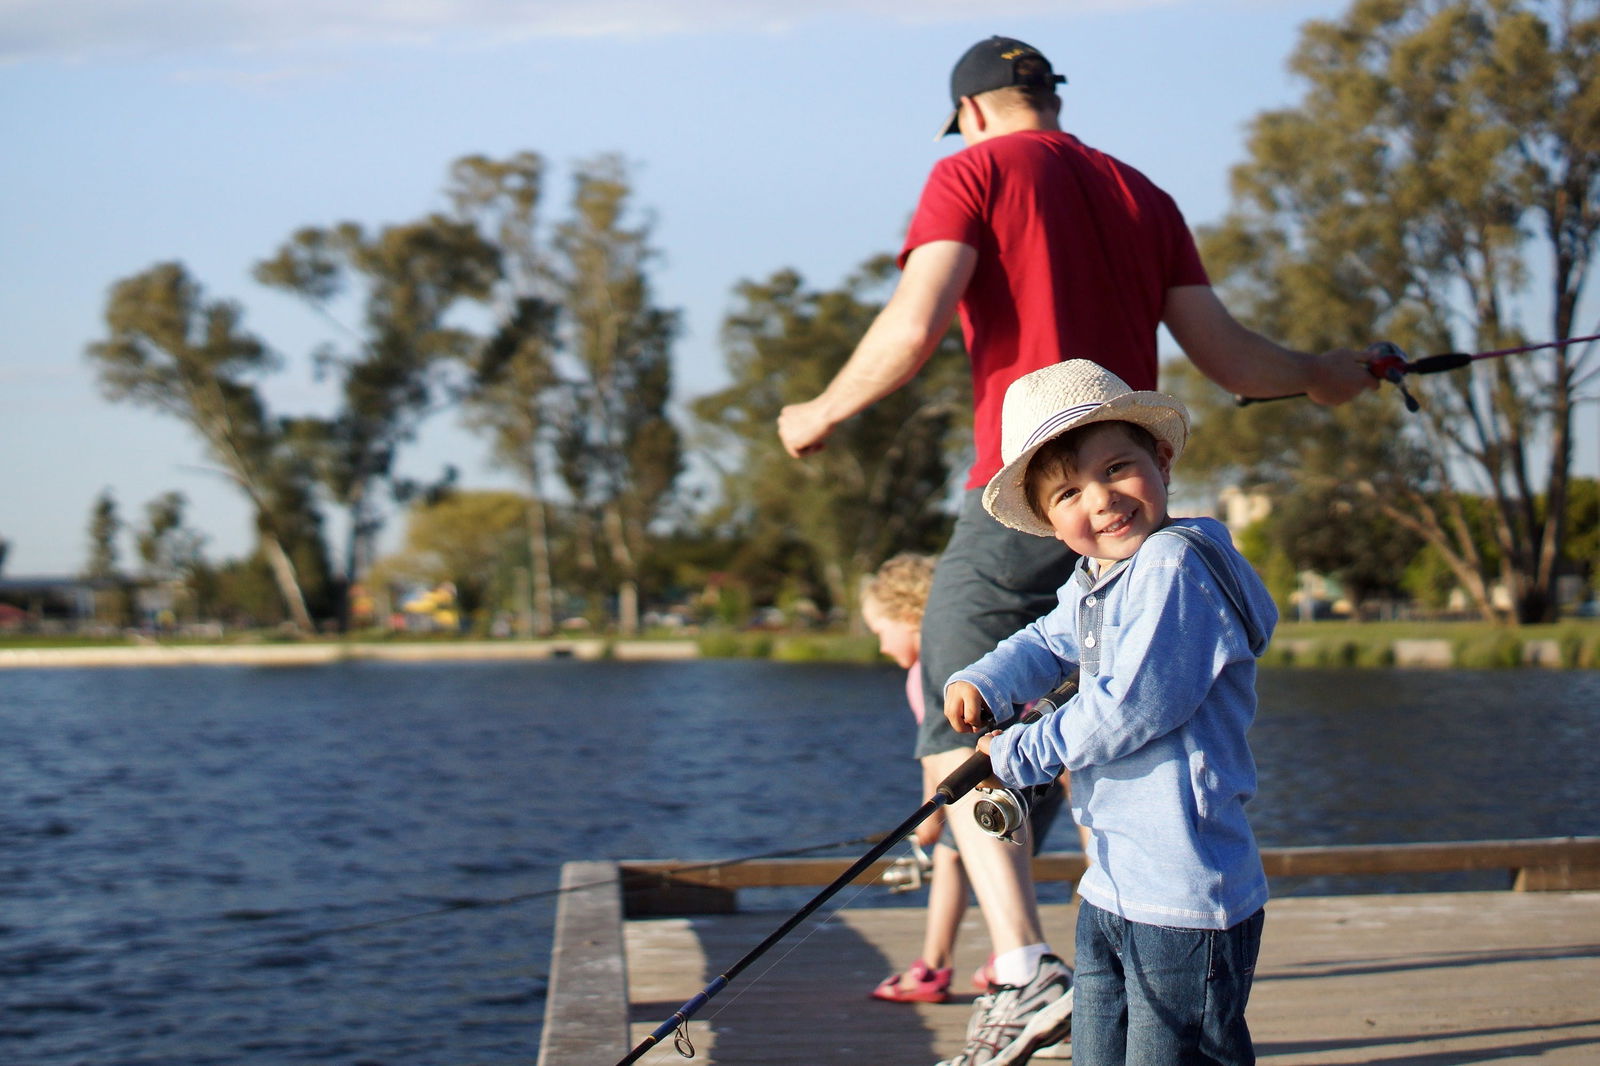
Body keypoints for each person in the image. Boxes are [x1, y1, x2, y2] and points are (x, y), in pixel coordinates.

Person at [777, 33, 1373, 1066]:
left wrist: (817, 410)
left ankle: (1019, 966)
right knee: (1103, 702)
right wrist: (1323, 371)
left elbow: (915, 323)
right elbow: (1228, 357)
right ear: (1048, 98)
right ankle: (1123, 927)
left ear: (968, 112)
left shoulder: (968, 170)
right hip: (1123, 516)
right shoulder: (1139, 192)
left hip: (1028, 496)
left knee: (946, 722)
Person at [945, 359, 1276, 1066]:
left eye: (1117, 468)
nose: (1101, 501)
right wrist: (986, 678)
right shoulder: (1100, 575)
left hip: (1188, 896)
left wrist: (1020, 752)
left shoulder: (1172, 568)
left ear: (1159, 459)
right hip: (1114, 884)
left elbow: (1132, 705)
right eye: (1068, 492)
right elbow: (1047, 638)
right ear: (1046, 520)